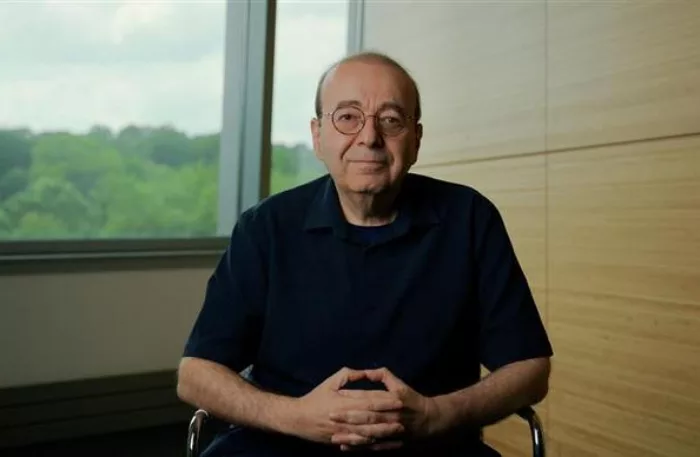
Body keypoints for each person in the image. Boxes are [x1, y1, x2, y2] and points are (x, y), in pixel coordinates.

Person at [177, 51, 553, 457]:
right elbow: (195, 374)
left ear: (416, 140)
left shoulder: (470, 218)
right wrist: (297, 417)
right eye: (347, 117)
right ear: (318, 135)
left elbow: (529, 370)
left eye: (391, 120)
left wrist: (436, 415)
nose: (369, 138)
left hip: (434, 444)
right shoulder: (264, 227)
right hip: (281, 442)